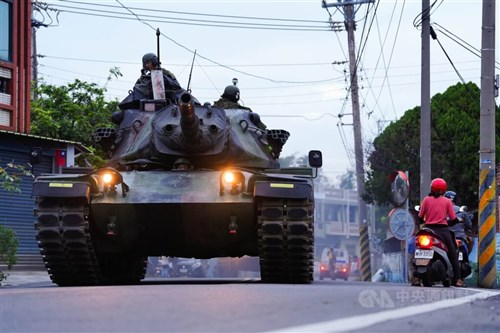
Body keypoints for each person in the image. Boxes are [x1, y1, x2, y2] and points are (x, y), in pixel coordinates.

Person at [418, 178, 464, 287]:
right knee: (453, 252)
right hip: (443, 230)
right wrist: (458, 220)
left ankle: (415, 279)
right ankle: (458, 279)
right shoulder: (447, 201)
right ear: (443, 190)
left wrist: (425, 220)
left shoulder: (426, 200)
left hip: (428, 229)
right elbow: (453, 219)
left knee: (418, 247)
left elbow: (420, 217)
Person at [445, 190, 473, 259]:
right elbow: (469, 225)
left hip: (443, 238)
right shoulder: (461, 210)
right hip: (459, 237)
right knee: (471, 240)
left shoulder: (439, 209)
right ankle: (466, 258)